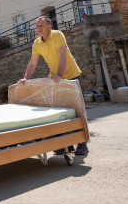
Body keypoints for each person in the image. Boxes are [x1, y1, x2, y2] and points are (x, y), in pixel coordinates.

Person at [17, 16, 89, 156]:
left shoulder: (58, 35)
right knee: (60, 113)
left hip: (71, 76)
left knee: (77, 111)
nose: (39, 28)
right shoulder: (37, 43)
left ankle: (82, 144)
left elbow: (63, 56)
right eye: (37, 25)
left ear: (49, 26)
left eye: (41, 25)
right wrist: (26, 78)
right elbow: (32, 63)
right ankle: (65, 144)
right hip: (55, 79)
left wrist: (60, 75)